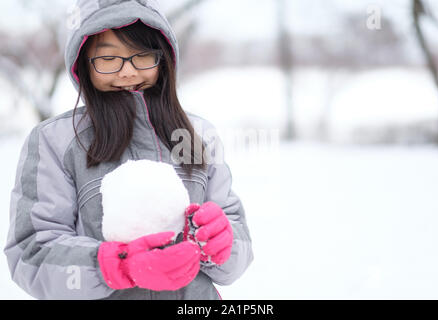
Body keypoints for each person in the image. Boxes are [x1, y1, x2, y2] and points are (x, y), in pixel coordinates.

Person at [4, 0, 253, 300]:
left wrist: (222, 243)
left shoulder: (198, 135)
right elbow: (31, 251)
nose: (128, 72)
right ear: (84, 62)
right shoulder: (55, 141)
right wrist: (117, 266)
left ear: (164, 59)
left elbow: (238, 238)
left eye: (143, 55)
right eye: (108, 58)